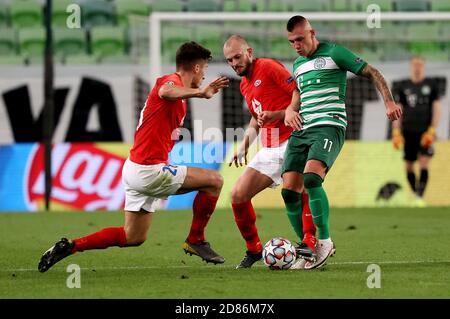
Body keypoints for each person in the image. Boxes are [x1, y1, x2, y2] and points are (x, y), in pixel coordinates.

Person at [38, 42, 230, 272]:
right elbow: (165, 91)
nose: (205, 76)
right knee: (214, 181)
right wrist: (201, 92)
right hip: (149, 170)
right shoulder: (171, 81)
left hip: (134, 169)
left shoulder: (178, 94)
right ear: (197, 68)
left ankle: (71, 246)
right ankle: (196, 240)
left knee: (133, 236)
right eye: (205, 69)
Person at [282, 16, 403, 269]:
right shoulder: (298, 64)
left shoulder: (335, 53)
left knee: (312, 179)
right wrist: (290, 110)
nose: (296, 45)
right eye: (292, 41)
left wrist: (389, 101)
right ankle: (308, 246)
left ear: (312, 33)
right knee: (289, 190)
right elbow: (298, 91)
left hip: (329, 125)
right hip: (302, 129)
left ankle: (324, 240)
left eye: (300, 39)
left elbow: (372, 72)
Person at [223, 35, 317, 269]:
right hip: (270, 146)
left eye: (237, 56)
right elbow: (257, 120)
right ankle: (254, 249)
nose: (234, 63)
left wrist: (279, 114)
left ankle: (311, 242)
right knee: (237, 196)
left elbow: (299, 92)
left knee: (296, 190)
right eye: (229, 60)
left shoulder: (268, 67)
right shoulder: (245, 84)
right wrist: (244, 145)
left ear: (249, 52)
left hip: (293, 139)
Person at [391, 56, 442, 207]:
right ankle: (415, 194)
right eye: (415, 64)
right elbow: (397, 110)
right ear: (411, 66)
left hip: (425, 132)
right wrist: (396, 132)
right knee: (409, 165)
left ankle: (420, 196)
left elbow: (437, 108)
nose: (417, 67)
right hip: (408, 131)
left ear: (424, 66)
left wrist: (432, 130)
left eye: (420, 64)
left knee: (424, 162)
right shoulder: (403, 86)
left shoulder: (431, 85)